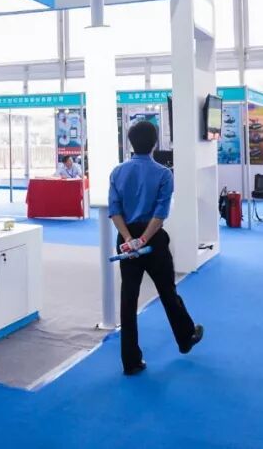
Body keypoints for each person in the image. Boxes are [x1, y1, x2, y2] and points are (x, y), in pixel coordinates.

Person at [108, 120, 203, 376]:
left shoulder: (117, 172)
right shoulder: (163, 174)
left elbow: (115, 210)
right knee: (167, 291)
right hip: (153, 240)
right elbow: (160, 214)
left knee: (128, 299)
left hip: (126, 240)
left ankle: (131, 361)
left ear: (130, 143)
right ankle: (185, 337)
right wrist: (143, 240)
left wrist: (129, 239)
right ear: (154, 143)